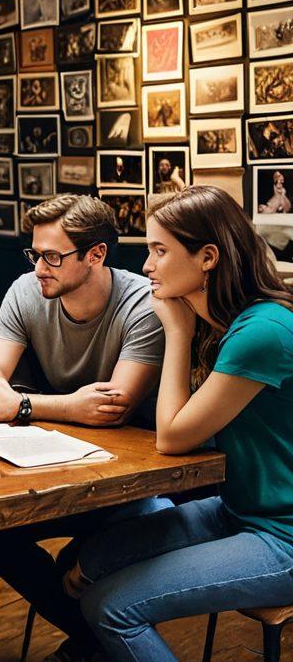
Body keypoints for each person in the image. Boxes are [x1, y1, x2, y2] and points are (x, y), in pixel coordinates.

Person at [68, 186, 293, 662]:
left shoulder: (262, 332)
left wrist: (177, 329)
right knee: (84, 560)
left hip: (282, 535)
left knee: (110, 606)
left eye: (159, 250)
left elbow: (171, 437)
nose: (147, 265)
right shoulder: (229, 322)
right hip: (237, 510)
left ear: (207, 257)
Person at [0, 194, 166, 662]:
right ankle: (93, 640)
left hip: (127, 480)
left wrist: (21, 405)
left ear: (96, 255)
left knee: (126, 531)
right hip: (56, 463)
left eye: (52, 256)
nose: (39, 268)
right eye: (35, 254)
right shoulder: (28, 290)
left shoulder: (141, 304)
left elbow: (113, 408)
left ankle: (92, 641)